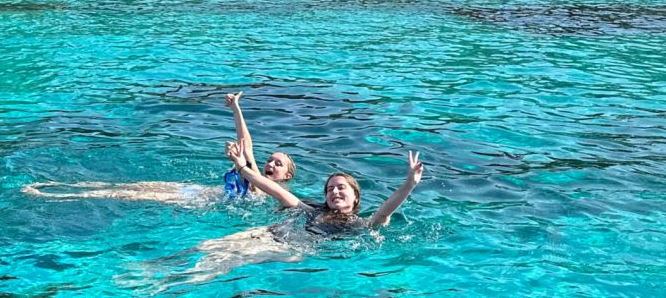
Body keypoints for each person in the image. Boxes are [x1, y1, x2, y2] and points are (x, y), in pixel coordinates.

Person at [162, 140, 424, 285]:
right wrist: (242, 168)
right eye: (330, 189)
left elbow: (384, 214)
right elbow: (274, 190)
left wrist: (409, 184)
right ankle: (155, 268)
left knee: (226, 261)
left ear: (356, 197)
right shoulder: (310, 208)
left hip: (295, 248)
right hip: (270, 234)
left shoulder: (360, 224)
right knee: (207, 246)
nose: (334, 192)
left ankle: (169, 284)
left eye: (341, 188)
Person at [23, 92, 297, 205]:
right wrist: (236, 108)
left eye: (278, 164)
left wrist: (236, 111)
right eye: (271, 160)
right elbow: (247, 142)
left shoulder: (263, 188)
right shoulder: (256, 176)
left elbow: (246, 145)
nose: (270, 164)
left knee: (122, 195)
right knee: (136, 185)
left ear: (286, 176)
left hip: (198, 202)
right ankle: (60, 184)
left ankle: (56, 195)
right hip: (194, 190)